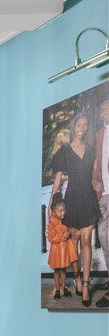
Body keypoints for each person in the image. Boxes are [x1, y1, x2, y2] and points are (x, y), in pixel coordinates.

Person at [50, 111, 99, 306]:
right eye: (79, 125)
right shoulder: (64, 152)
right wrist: (51, 208)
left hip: (88, 198)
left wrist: (98, 184)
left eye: (85, 125)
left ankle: (85, 285)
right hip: (71, 200)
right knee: (74, 242)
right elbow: (57, 183)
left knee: (86, 239)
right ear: (73, 127)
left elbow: (95, 172)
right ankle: (77, 277)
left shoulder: (91, 149)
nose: (82, 129)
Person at [92, 97, 109, 308]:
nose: (103, 112)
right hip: (103, 194)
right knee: (104, 237)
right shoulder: (99, 134)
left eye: (106, 109)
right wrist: (95, 181)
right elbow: (96, 162)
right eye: (102, 110)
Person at [46, 197, 78, 300]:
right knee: (56, 270)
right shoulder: (51, 224)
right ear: (54, 213)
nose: (63, 213)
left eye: (64, 210)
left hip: (63, 251)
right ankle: (58, 289)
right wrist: (62, 237)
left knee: (63, 270)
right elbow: (51, 238)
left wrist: (68, 234)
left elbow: (67, 234)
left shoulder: (64, 222)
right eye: (60, 211)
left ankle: (63, 289)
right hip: (56, 251)